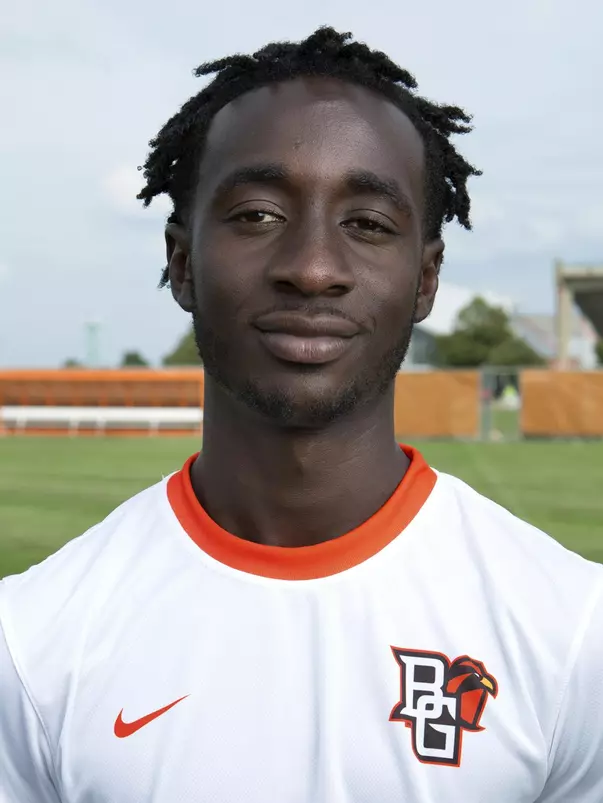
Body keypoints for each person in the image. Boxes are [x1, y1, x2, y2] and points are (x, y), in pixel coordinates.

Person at [1, 27, 601, 803]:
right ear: (182, 263)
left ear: (425, 280)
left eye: (368, 223)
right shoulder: (32, 639)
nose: (312, 268)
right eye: (255, 215)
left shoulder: (573, 631)